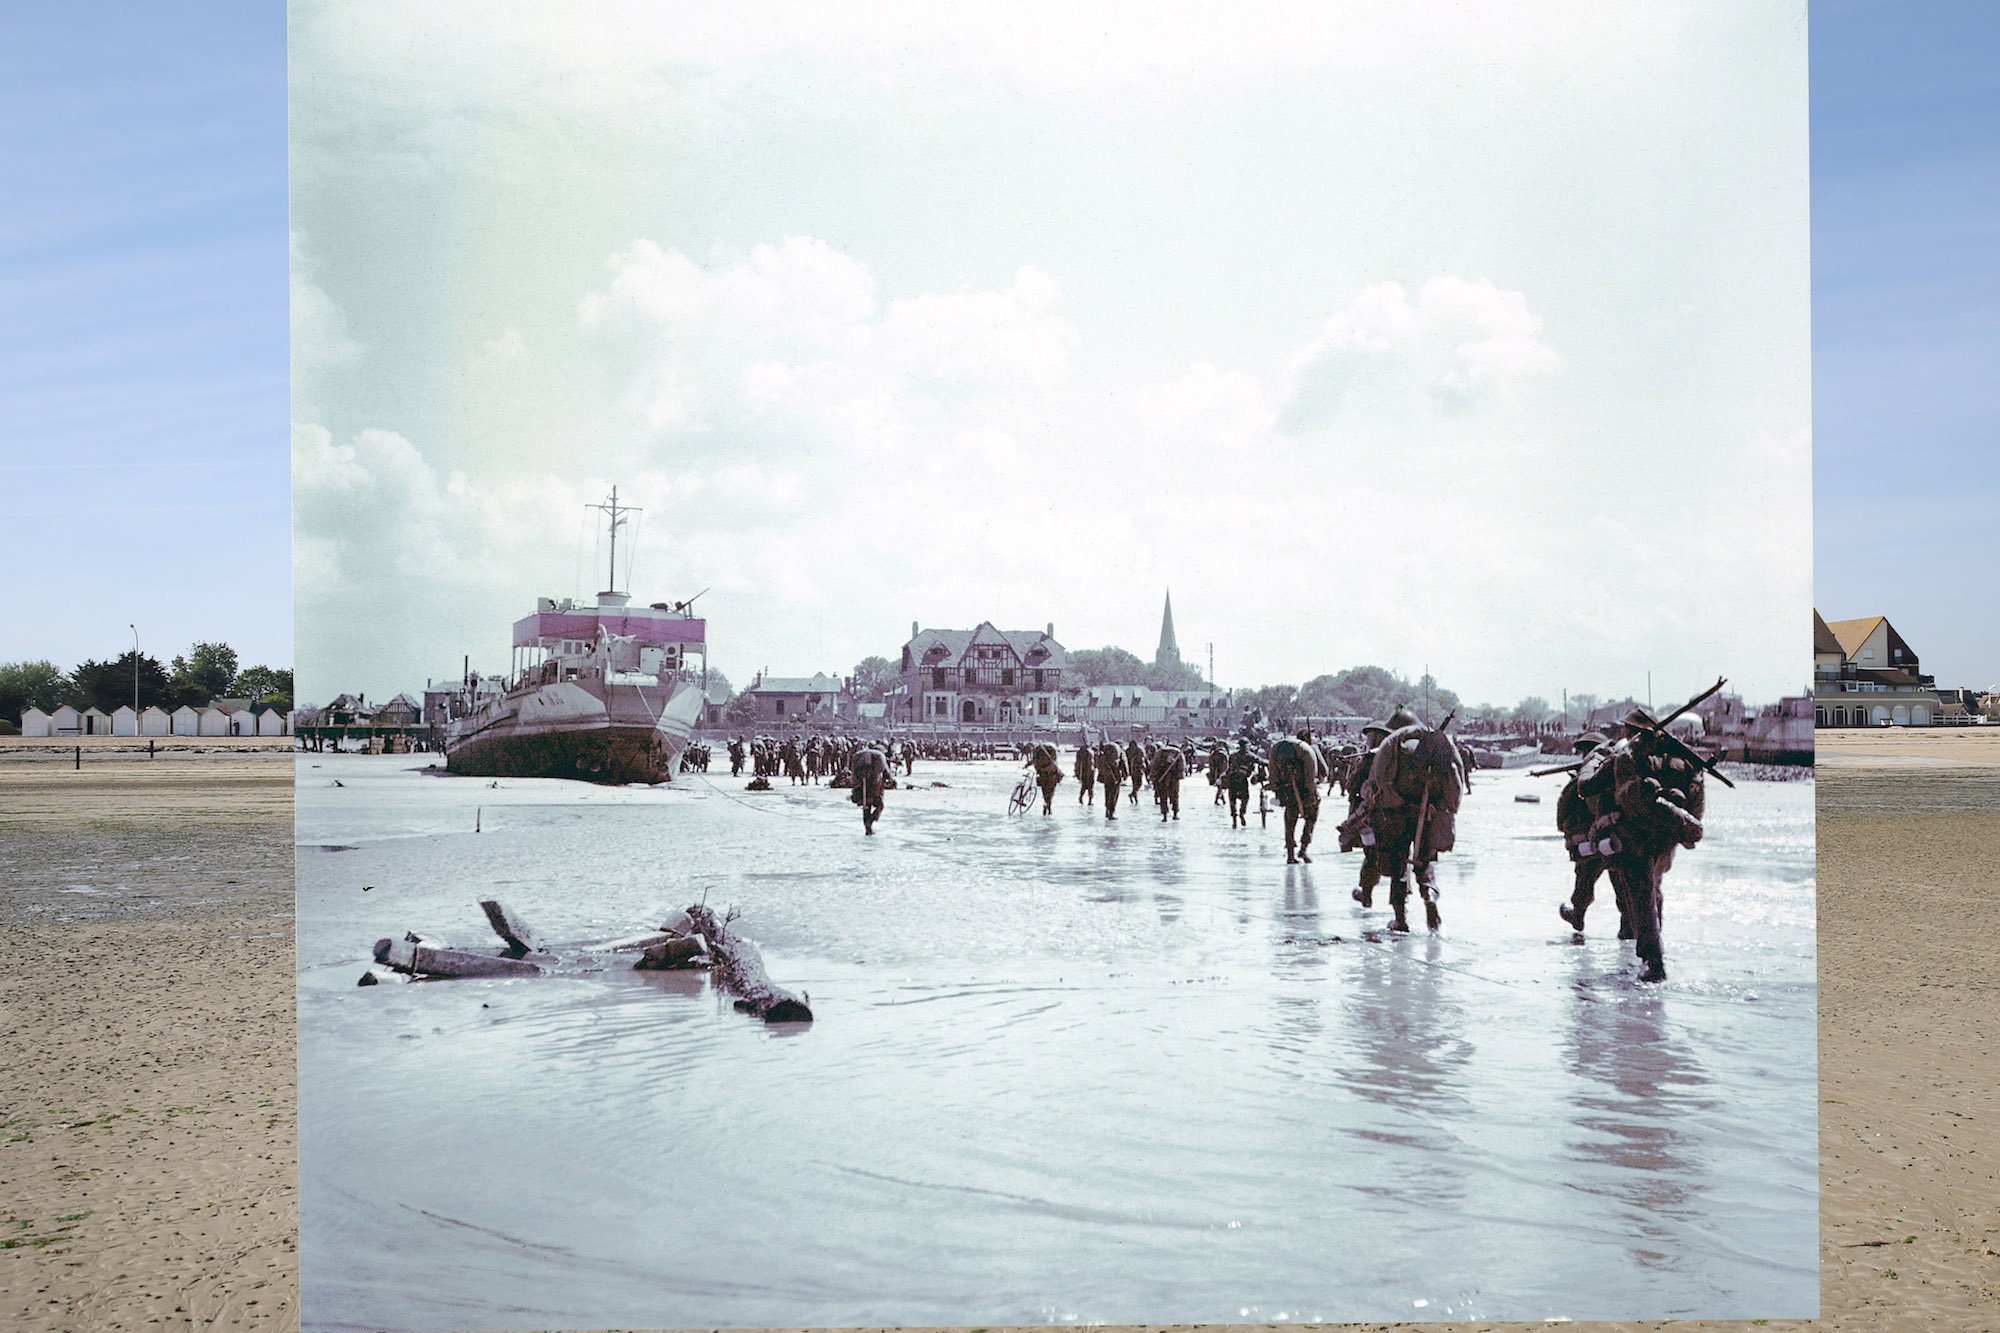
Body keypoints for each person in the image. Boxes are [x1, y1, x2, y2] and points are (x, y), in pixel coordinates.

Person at [1573, 712, 1707, 982]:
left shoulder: (1626, 757)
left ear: (1630, 731)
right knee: (1653, 889)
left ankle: (1654, 962)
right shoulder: (1683, 761)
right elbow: (1697, 800)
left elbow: (1586, 786)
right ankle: (1651, 948)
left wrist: (1597, 759)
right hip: (1669, 834)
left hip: (1636, 835)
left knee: (1642, 895)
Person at [1353, 707, 1463, 932]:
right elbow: (1456, 779)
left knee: (1398, 867)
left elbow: (1378, 781)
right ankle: (1430, 901)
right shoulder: (1437, 743)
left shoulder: (1391, 745)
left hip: (1395, 815)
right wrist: (1444, 811)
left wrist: (1391, 803)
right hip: (1429, 814)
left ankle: (1400, 919)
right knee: (1425, 864)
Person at [1556, 731, 1630, 938]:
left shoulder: (1587, 777)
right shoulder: (1615, 771)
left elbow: (1566, 812)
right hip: (1614, 838)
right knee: (1621, 882)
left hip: (1594, 840)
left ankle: (1578, 915)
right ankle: (1628, 927)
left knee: (1584, 881)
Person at [1268, 729, 1322, 863]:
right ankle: (1303, 850)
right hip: (1303, 790)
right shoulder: (1307, 750)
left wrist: (1277, 790)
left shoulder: (1277, 748)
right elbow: (1312, 777)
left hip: (1287, 791)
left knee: (1290, 821)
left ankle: (1290, 855)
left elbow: (1273, 774)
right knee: (1312, 817)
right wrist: (1312, 794)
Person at [849, 745, 890, 834]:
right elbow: (886, 772)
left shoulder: (859, 756)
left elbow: (853, 772)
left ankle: (868, 828)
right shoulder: (879, 756)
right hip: (874, 785)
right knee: (880, 805)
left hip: (861, 782)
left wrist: (855, 782)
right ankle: (871, 821)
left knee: (866, 805)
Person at [1225, 737, 1259, 828]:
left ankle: (1234, 819)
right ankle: (1242, 813)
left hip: (1232, 780)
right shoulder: (1250, 756)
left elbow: (1228, 767)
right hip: (1242, 780)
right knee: (1245, 798)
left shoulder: (1232, 755)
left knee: (1232, 800)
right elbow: (1260, 761)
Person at [1150, 743, 1185, 821]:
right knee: (1175, 796)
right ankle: (1175, 813)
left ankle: (1164, 815)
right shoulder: (1178, 753)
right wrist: (1180, 776)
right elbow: (1182, 767)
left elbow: (1154, 764)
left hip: (1161, 777)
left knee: (1163, 796)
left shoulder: (1160, 752)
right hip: (1174, 778)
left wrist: (1153, 776)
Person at [1028, 741, 1065, 815]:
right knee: (1051, 791)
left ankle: (1046, 803)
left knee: (1044, 791)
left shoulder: (1037, 750)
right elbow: (1054, 760)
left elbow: (1034, 761)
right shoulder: (1051, 750)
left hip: (1042, 774)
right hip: (1052, 774)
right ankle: (1049, 806)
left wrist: (1027, 765)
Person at [1095, 740, 1127, 821]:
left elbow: (1098, 763)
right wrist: (1125, 774)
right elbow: (1123, 763)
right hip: (1115, 776)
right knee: (1114, 794)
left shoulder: (1104, 752)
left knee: (1107, 793)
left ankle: (1107, 810)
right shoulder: (1120, 751)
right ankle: (1111, 812)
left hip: (1106, 775)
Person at [1075, 740, 1096, 806]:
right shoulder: (1090, 752)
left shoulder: (1080, 752)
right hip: (1090, 771)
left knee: (1084, 786)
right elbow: (1091, 763)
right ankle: (1090, 800)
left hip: (1084, 771)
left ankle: (1081, 798)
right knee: (1090, 786)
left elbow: (1077, 763)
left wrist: (1077, 772)